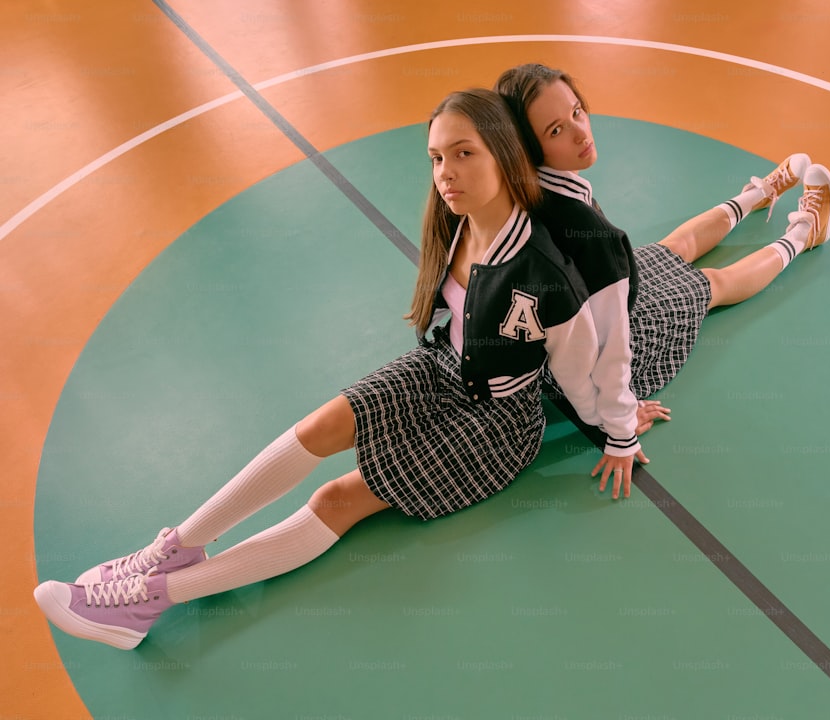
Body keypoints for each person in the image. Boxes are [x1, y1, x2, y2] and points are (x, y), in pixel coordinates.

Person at [33, 88, 644, 651]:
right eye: (435, 158)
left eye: (463, 153)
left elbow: (579, 364)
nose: (446, 174)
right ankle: (171, 550)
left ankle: (149, 602)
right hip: (438, 368)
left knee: (336, 497)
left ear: (506, 155)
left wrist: (619, 432)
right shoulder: (456, 224)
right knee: (321, 425)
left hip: (495, 424)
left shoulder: (544, 273)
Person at [495, 63, 830, 458]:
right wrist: (617, 420)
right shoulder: (569, 223)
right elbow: (605, 348)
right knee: (711, 284)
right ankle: (805, 233)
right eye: (556, 130)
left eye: (576, 111)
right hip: (603, 347)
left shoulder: (531, 190)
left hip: (596, 311)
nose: (580, 132)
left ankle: (759, 195)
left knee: (674, 247)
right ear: (528, 148)